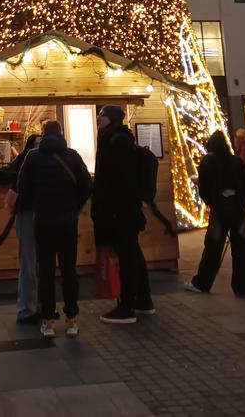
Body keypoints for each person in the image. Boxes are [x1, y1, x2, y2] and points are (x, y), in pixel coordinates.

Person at [17, 120, 91, 338]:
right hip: (67, 221)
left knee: (46, 271)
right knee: (69, 269)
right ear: (61, 134)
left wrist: (38, 204)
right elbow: (86, 186)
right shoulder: (73, 156)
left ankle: (48, 321)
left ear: (43, 134)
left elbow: (23, 187)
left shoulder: (32, 157)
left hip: (43, 221)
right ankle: (72, 320)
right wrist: (74, 207)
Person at [91, 105, 153, 324]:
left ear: (112, 118)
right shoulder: (117, 138)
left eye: (102, 116)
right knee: (133, 254)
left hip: (119, 210)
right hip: (124, 209)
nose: (99, 118)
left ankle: (126, 306)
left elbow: (120, 179)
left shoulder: (116, 141)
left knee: (126, 257)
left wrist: (114, 208)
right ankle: (143, 301)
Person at [184, 131, 245, 296]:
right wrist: (240, 199)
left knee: (212, 250)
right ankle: (242, 287)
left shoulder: (208, 161)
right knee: (241, 251)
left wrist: (213, 202)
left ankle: (202, 283)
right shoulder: (236, 161)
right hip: (239, 213)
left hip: (219, 214)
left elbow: (203, 188)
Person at [0, 133, 41, 324]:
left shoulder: (48, 160)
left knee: (38, 263)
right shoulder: (25, 161)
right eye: (36, 144)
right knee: (30, 262)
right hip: (29, 214)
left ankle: (36, 307)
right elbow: (0, 176)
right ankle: (28, 309)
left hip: (43, 215)